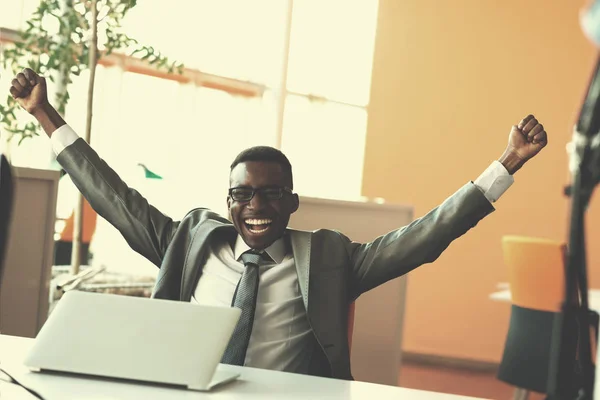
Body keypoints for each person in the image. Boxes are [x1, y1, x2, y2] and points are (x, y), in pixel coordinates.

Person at [9, 68, 548, 380]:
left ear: (293, 203)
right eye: (243, 194)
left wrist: (507, 164)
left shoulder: (333, 259)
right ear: (228, 202)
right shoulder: (190, 241)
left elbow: (425, 237)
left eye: (270, 193)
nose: (255, 205)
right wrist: (43, 114)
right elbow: (113, 197)